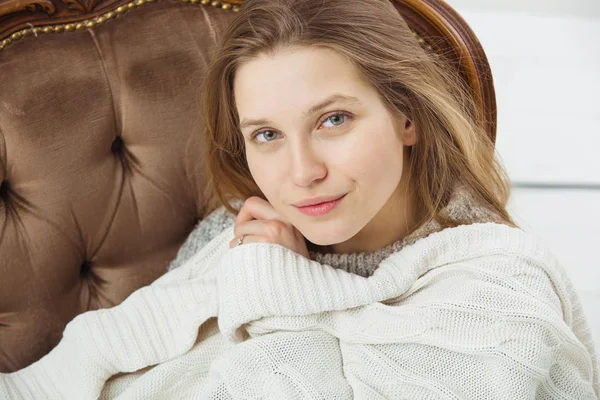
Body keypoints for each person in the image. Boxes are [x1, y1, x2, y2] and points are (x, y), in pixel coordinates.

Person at [1, 0, 598, 398]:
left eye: (333, 119)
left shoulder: (496, 295)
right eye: (267, 134)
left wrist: (280, 292)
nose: (301, 172)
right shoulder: (235, 229)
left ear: (407, 116)